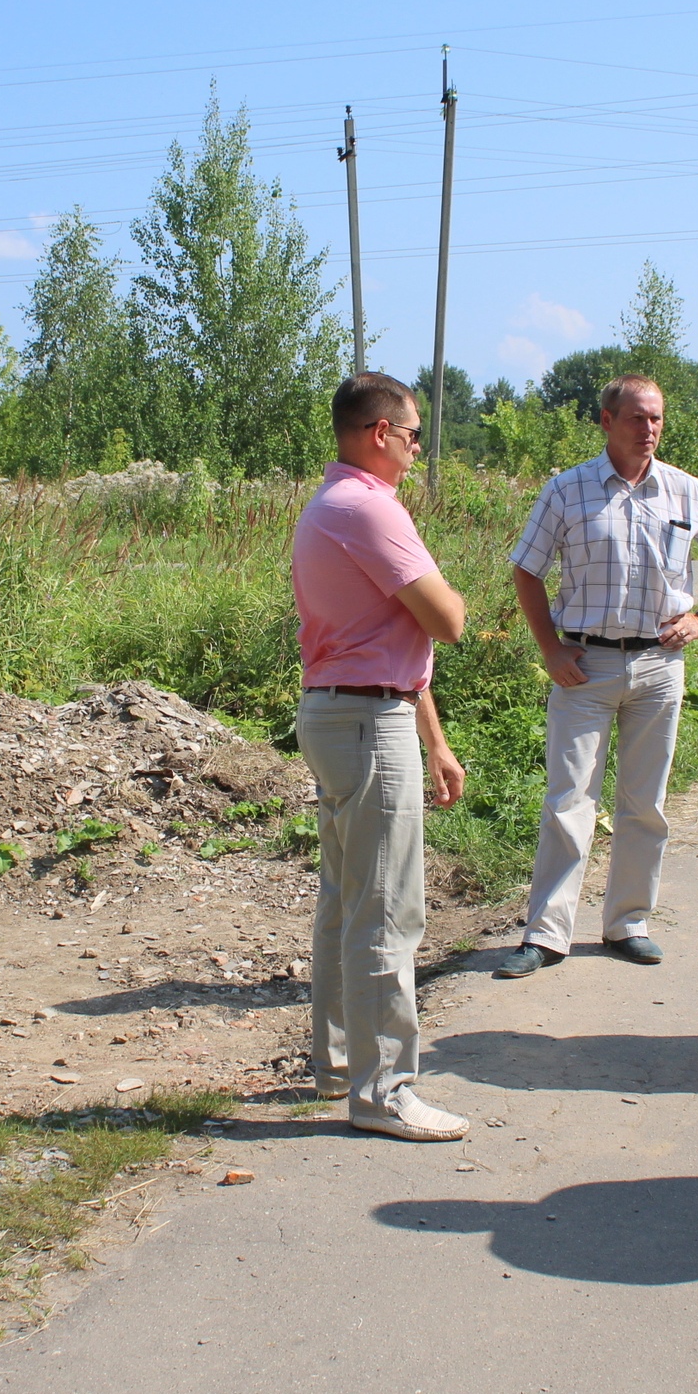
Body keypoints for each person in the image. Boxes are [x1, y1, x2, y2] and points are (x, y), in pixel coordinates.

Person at [499, 374, 698, 977]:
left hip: (660, 665)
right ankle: (547, 934)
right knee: (569, 800)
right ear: (607, 421)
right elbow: (526, 569)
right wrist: (549, 648)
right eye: (637, 418)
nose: (649, 430)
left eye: (658, 419)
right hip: (584, 666)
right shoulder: (568, 491)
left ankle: (628, 923)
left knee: (646, 803)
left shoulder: (686, 493)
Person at [291, 372, 473, 1142]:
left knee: (345, 898)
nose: (416, 445)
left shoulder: (327, 505)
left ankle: (338, 1062)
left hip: (347, 711)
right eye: (411, 433)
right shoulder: (369, 506)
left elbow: (393, 641)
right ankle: (385, 1089)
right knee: (388, 909)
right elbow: (448, 618)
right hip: (368, 722)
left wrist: (434, 738)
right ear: (377, 434)